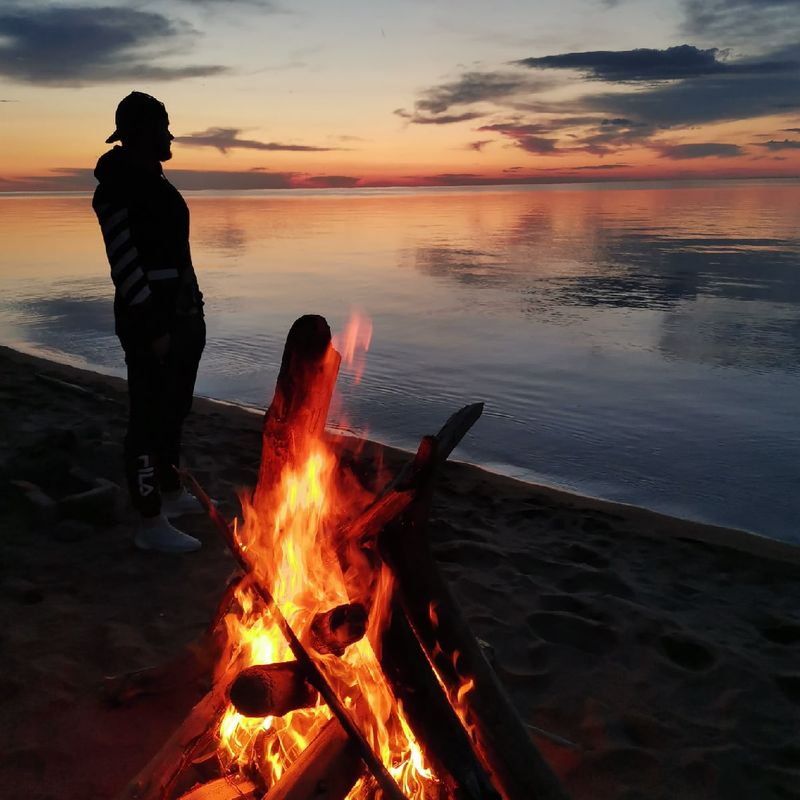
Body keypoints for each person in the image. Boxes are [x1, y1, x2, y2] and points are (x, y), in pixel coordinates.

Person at [92, 91, 206, 553]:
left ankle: (171, 490)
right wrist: (152, 327)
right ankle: (149, 519)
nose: (171, 134)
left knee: (175, 409)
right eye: (163, 126)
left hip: (180, 314)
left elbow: (179, 253)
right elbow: (123, 264)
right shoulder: (116, 188)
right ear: (141, 134)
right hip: (149, 319)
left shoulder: (158, 184)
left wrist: (193, 303)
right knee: (147, 417)